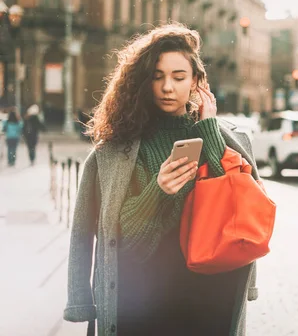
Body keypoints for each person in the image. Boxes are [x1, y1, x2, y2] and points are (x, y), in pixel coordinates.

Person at [64, 24, 260, 335]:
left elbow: (235, 211)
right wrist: (159, 191)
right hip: (141, 307)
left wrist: (208, 128)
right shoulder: (116, 150)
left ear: (197, 81)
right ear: (142, 82)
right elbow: (124, 242)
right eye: (157, 76)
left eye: (179, 77)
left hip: (211, 303)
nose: (167, 87)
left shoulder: (230, 141)